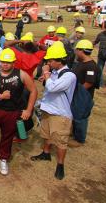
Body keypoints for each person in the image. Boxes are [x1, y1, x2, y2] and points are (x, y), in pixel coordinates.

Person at [31, 43, 76, 180]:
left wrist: (46, 73)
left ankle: (60, 165)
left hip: (60, 113)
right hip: (48, 109)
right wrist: (46, 79)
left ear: (60, 60)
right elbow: (49, 86)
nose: (48, 63)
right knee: (46, 134)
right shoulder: (55, 73)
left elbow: (53, 88)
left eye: (50, 61)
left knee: (61, 140)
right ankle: (45, 153)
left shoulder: (69, 76)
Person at [68, 39, 99, 147]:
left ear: (81, 51)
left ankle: (79, 139)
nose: (75, 52)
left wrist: (77, 92)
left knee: (80, 118)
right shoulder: (81, 63)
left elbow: (89, 82)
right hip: (77, 94)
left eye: (77, 50)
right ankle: (73, 134)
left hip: (83, 96)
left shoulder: (91, 66)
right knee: (74, 114)